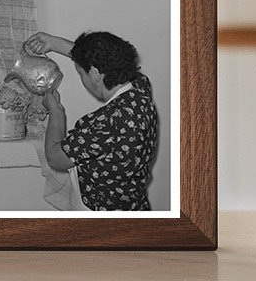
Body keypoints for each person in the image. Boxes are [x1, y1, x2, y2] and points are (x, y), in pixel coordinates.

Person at [24, 30, 159, 211]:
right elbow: (100, 57)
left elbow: (55, 158)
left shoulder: (106, 122)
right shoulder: (140, 88)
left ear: (95, 73)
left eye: (81, 73)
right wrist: (53, 43)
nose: (82, 78)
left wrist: (56, 111)